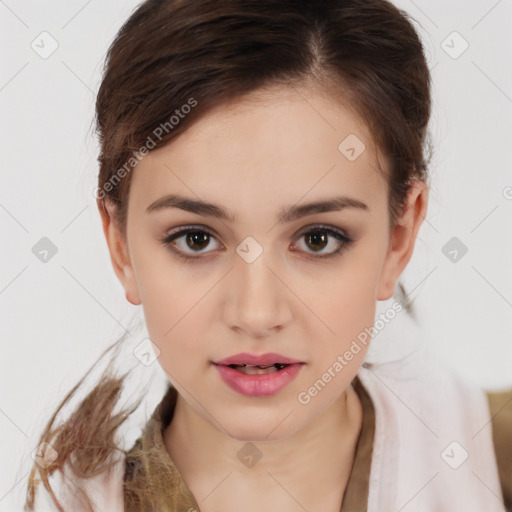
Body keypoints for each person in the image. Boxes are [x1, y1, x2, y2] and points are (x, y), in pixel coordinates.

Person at [23, 0, 512, 511]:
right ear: (120, 244)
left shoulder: (493, 459)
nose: (256, 315)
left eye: (318, 238)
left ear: (399, 237)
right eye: (196, 238)